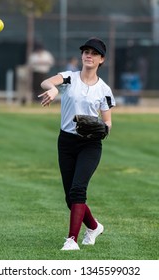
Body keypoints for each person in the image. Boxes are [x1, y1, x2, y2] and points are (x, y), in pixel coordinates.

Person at [38, 37, 116, 250]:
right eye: (86, 51)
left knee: (78, 190)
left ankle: (71, 240)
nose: (88, 55)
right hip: (66, 142)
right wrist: (53, 90)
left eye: (94, 53)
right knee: (69, 198)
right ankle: (93, 227)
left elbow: (108, 121)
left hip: (90, 145)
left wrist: (103, 128)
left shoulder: (104, 89)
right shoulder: (69, 78)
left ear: (102, 59)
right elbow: (46, 82)